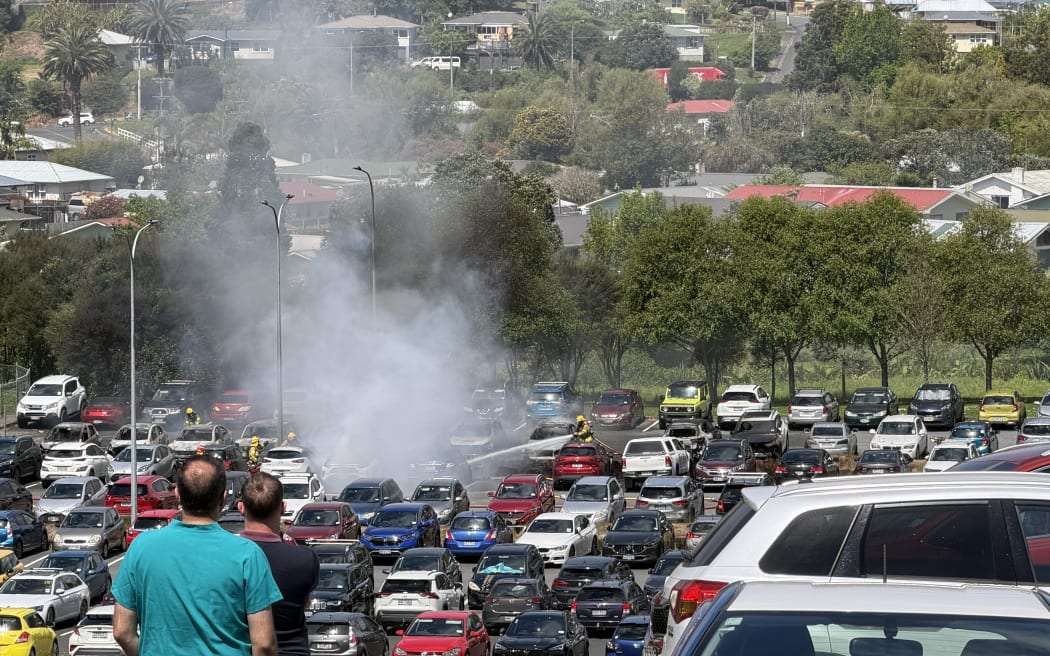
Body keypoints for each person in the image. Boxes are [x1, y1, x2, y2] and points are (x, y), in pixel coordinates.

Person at [112, 455, 282, 656]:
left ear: (177, 494)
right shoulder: (248, 554)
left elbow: (122, 631)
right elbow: (263, 644)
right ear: (223, 498)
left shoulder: (141, 547)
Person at [240, 472, 320, 656]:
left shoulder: (227, 557)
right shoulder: (305, 559)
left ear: (241, 508)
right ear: (283, 507)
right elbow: (305, 603)